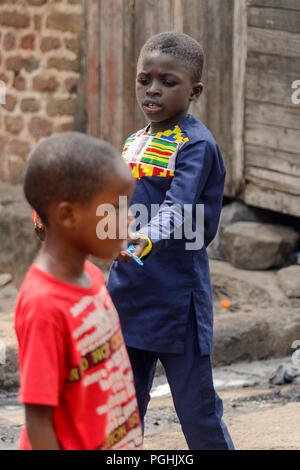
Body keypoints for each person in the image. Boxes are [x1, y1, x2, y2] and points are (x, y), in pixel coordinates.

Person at [107, 32, 235, 450]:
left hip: (178, 300)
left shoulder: (195, 144)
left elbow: (179, 209)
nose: (153, 90)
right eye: (145, 80)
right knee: (122, 416)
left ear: (194, 91)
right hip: (128, 295)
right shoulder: (133, 142)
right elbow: (112, 205)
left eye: (168, 81)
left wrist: (146, 239)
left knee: (197, 415)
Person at [15, 132, 143, 450]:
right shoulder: (44, 307)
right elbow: (38, 421)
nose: (129, 218)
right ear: (69, 215)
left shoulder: (91, 276)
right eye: (115, 208)